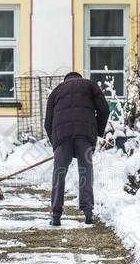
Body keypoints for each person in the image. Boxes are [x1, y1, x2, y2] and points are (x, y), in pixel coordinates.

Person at [44, 72, 110, 226]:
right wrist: (97, 131)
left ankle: (56, 216)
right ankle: (88, 212)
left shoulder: (56, 91)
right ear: (79, 78)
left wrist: (56, 143)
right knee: (85, 171)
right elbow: (104, 109)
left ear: (65, 79)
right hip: (85, 135)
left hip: (62, 137)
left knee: (59, 174)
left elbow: (47, 122)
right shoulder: (90, 85)